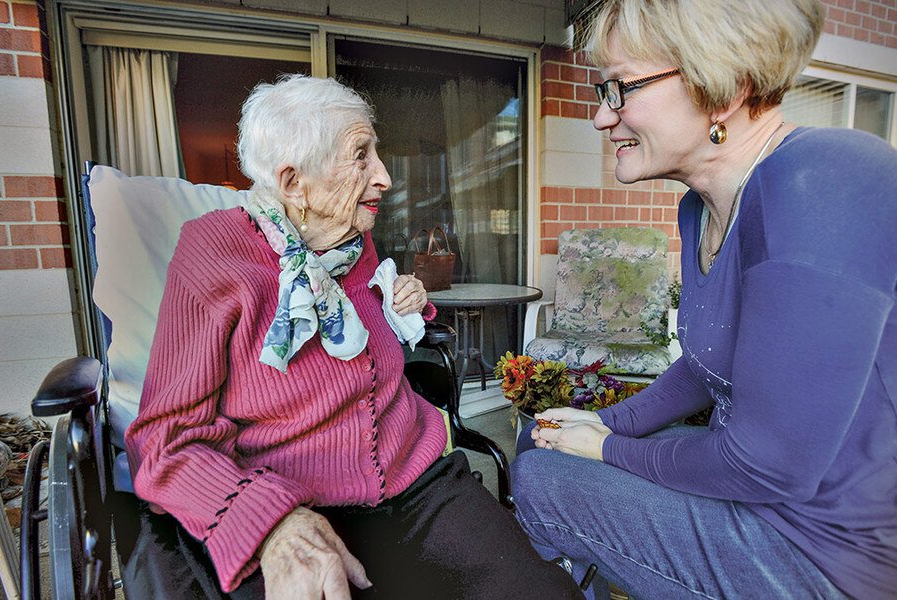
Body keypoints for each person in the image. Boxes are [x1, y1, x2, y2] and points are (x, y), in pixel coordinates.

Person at [125, 75, 583, 599]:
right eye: (361, 156)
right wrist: (270, 522)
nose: (385, 176)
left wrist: (409, 298)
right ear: (294, 182)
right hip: (291, 501)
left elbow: (373, 322)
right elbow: (163, 441)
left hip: (418, 481)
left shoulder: (352, 240)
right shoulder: (212, 254)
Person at [511, 1, 897, 599]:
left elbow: (768, 465)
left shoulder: (827, 179)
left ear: (724, 90)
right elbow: (704, 366)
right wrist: (598, 423)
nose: (600, 117)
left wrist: (609, 449)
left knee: (541, 477)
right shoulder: (699, 209)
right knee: (541, 433)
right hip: (756, 500)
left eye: (619, 88)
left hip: (822, 556)